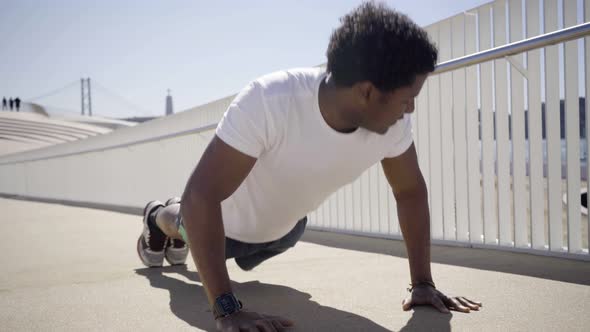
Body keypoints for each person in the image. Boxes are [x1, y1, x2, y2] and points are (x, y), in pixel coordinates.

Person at [137, 2, 482, 331]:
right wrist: (227, 308)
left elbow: (409, 191)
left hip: (284, 232)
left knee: (286, 231)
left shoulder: (392, 126)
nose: (410, 109)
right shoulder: (269, 101)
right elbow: (202, 195)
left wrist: (422, 283)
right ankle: (156, 215)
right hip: (214, 226)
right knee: (183, 219)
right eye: (408, 98)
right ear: (366, 91)